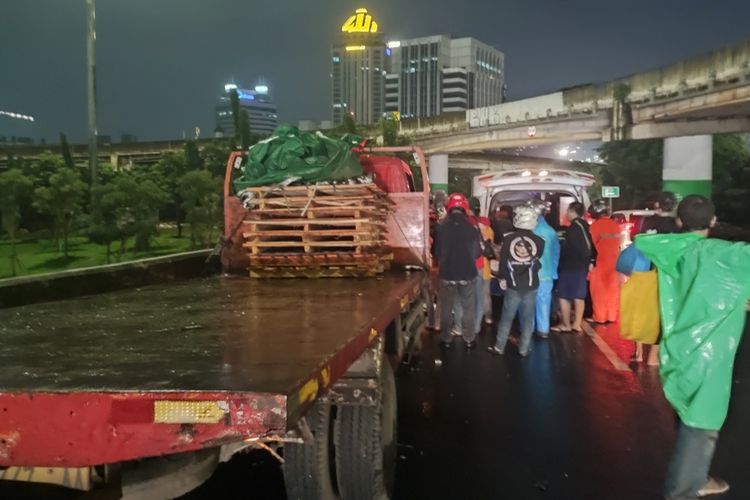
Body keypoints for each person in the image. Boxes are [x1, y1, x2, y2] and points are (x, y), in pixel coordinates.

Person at [636, 195, 750, 500]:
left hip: (678, 348)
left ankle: (695, 476)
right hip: (711, 353)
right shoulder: (725, 255)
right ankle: (685, 488)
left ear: (678, 222)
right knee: (702, 423)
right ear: (713, 222)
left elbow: (644, 242)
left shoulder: (671, 249)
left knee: (689, 415)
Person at [488, 205, 545, 357]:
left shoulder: (508, 240)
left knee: (507, 317)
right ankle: (524, 349)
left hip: (513, 285)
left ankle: (499, 347)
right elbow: (535, 260)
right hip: (532, 285)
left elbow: (504, 262)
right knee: (527, 319)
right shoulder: (540, 242)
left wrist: (501, 278)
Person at [638, 190, 680, 365]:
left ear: (656, 204)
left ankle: (640, 353)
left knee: (644, 312)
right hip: (670, 275)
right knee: (666, 313)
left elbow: (638, 243)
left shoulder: (648, 222)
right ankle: (655, 355)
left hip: (647, 272)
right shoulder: (677, 226)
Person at [436, 193, 482, 349]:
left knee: (446, 308)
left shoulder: (441, 229)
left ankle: (446, 339)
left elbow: (436, 253)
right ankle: (468, 338)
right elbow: (477, 254)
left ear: (449, 208)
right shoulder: (472, 229)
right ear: (465, 208)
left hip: (447, 274)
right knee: (468, 307)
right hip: (467, 274)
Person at [552, 202, 594, 333]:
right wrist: (590, 262)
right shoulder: (585, 226)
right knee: (579, 296)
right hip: (581, 267)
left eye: (567, 211)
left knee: (563, 296)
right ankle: (576, 324)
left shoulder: (573, 229)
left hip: (570, 266)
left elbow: (571, 249)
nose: (566, 214)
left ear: (571, 211)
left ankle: (566, 324)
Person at [587, 199, 623, 324]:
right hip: (615, 263)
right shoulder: (616, 226)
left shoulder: (594, 227)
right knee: (613, 290)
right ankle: (611, 316)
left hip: (600, 262)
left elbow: (591, 247)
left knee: (599, 292)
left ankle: (600, 317)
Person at [530, 199, 560, 338]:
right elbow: (556, 254)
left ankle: (528, 329)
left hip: (529, 273)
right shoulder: (551, 231)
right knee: (544, 302)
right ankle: (543, 330)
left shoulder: (528, 230)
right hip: (547, 273)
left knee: (528, 303)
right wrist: (554, 272)